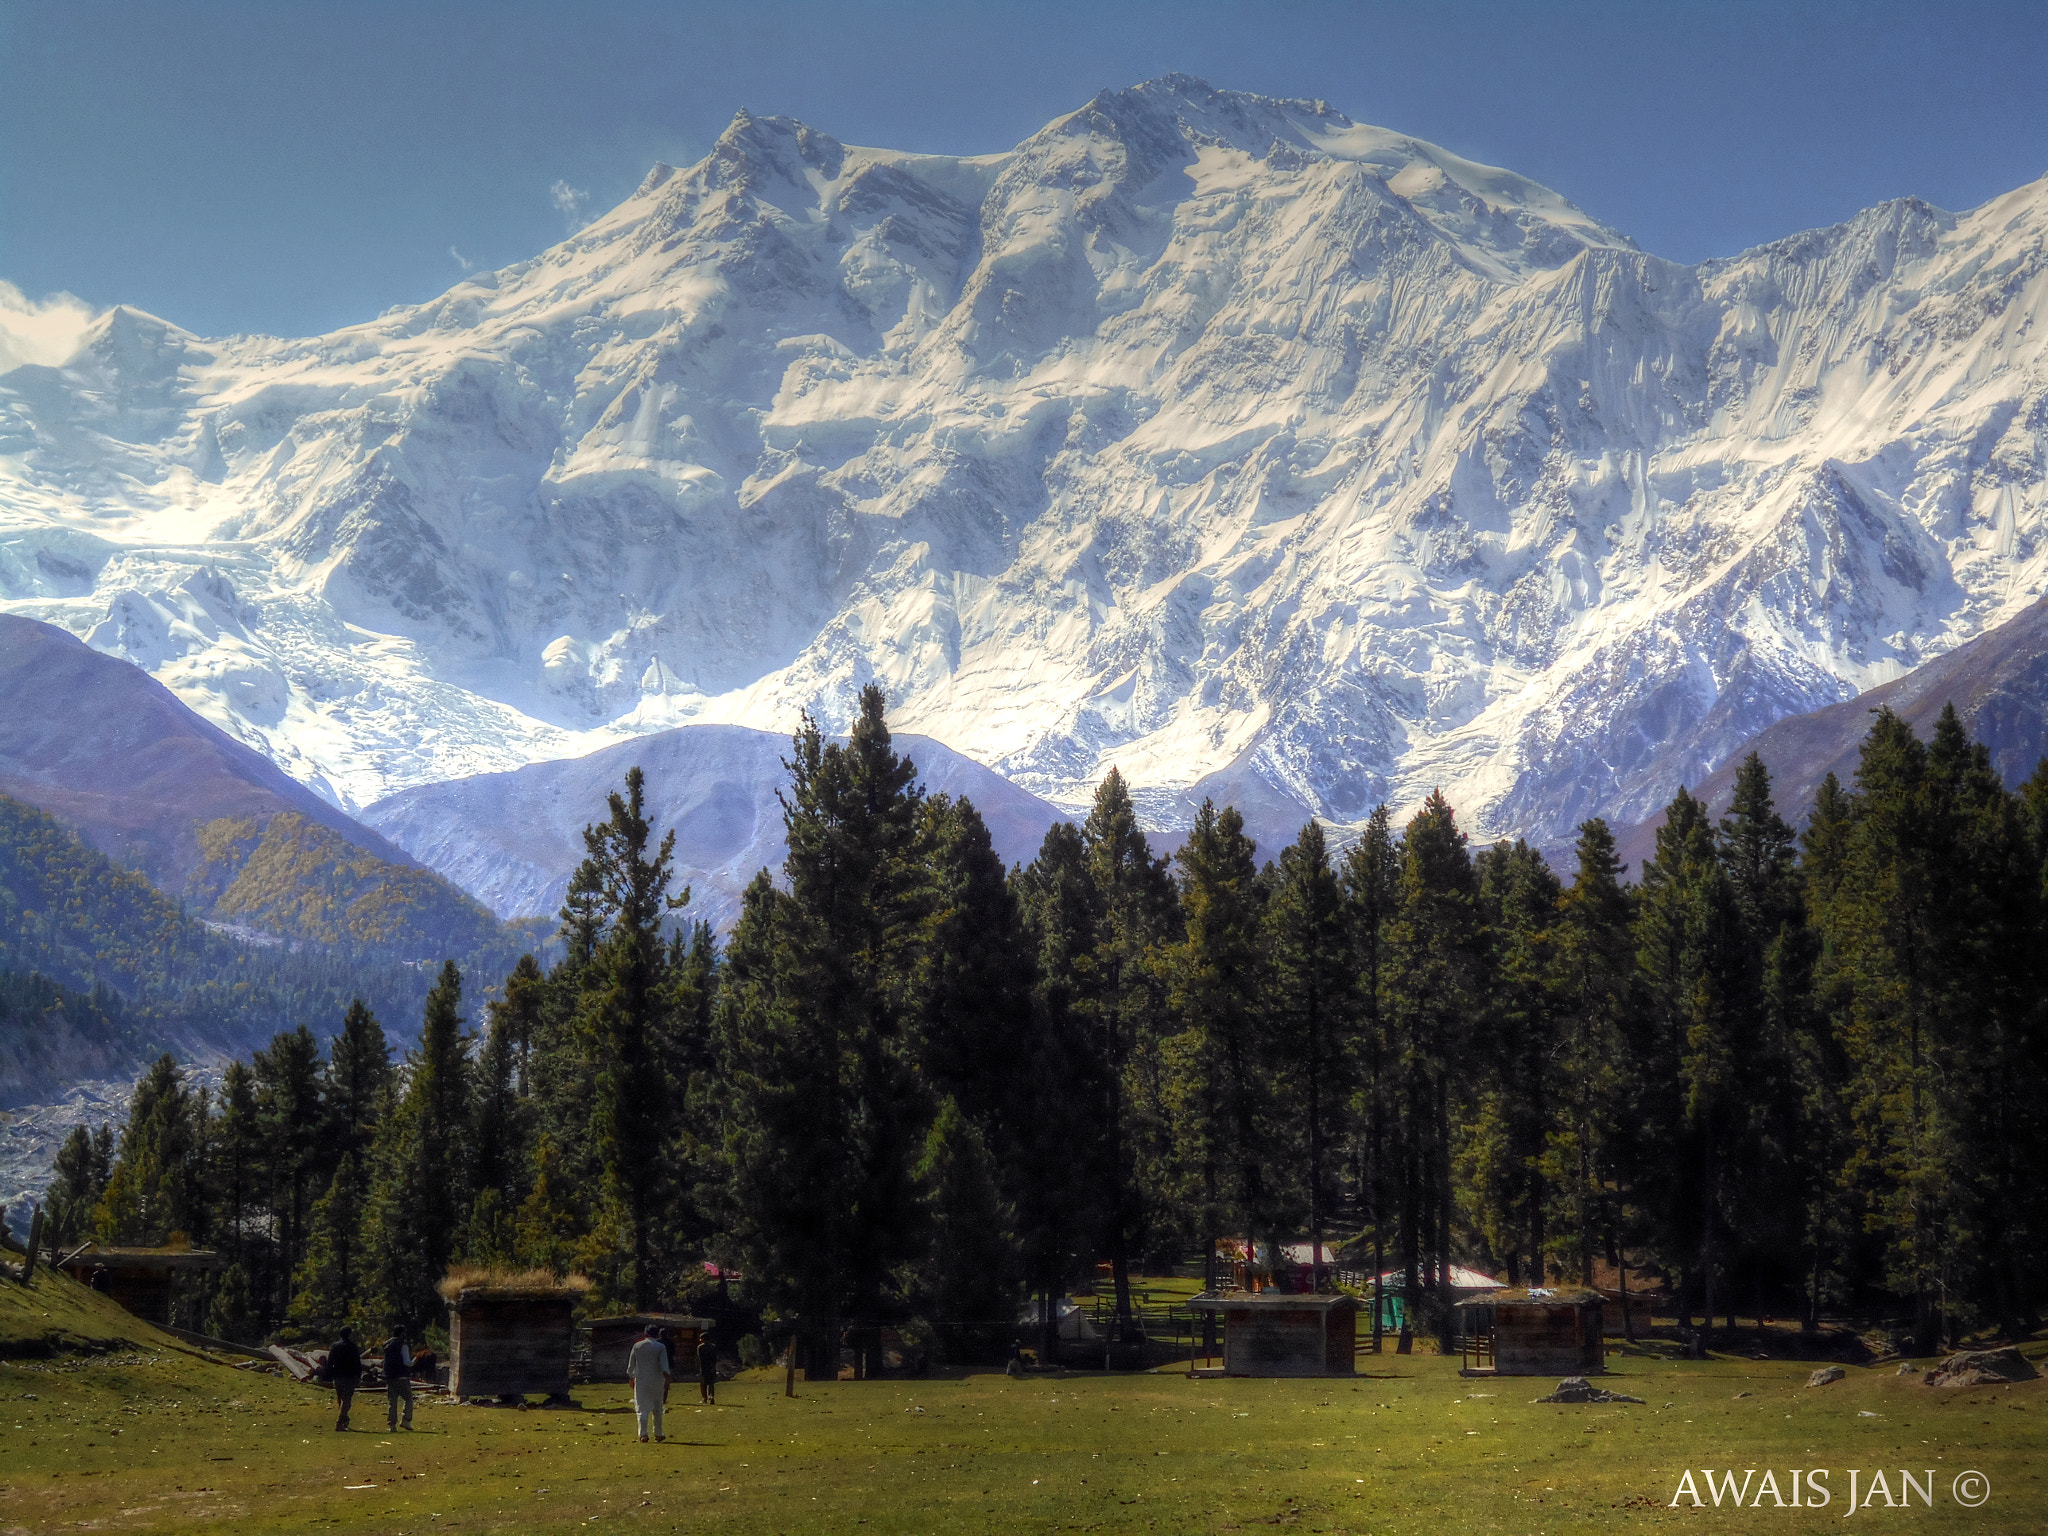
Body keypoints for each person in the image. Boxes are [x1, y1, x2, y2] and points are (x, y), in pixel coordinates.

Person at [627, 1322, 670, 1442]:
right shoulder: (660, 1347)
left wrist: (631, 1377)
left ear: (645, 1333)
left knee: (642, 1408)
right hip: (657, 1380)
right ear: (657, 1334)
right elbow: (664, 1366)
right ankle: (658, 1433)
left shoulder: (637, 1346)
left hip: (641, 1380)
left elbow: (631, 1366)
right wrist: (667, 1378)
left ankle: (643, 1434)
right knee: (657, 1408)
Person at [328, 1326, 362, 1432]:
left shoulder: (335, 1346)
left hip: (338, 1375)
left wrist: (329, 1374)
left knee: (341, 1399)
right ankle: (339, 1422)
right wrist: (358, 1375)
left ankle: (344, 1420)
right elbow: (357, 1362)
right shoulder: (352, 1346)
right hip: (350, 1375)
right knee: (346, 1399)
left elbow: (330, 1361)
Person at [382, 1327, 415, 1430]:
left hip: (390, 1377)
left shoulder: (387, 1345)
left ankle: (392, 1425)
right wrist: (415, 1359)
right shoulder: (403, 1346)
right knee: (408, 1399)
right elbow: (407, 1362)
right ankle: (406, 1420)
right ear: (402, 1334)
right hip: (402, 1377)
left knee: (392, 1401)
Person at [697, 1331, 718, 1405]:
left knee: (703, 1384)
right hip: (712, 1367)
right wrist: (713, 1366)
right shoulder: (713, 1347)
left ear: (702, 1339)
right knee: (711, 1383)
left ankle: (704, 1398)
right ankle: (711, 1398)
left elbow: (700, 1358)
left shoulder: (700, 1347)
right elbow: (715, 1358)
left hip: (704, 1367)